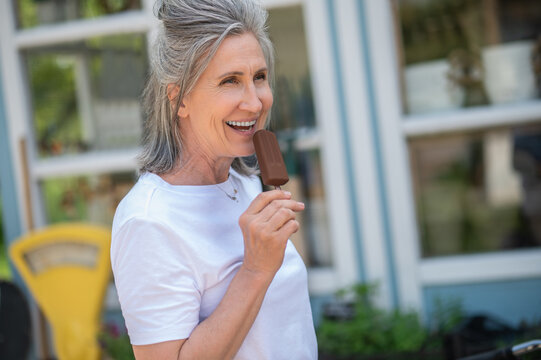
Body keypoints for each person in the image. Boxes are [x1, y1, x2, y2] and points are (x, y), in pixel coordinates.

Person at [110, 0, 318, 359]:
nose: (254, 103)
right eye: (230, 81)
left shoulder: (247, 185)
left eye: (259, 77)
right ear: (180, 98)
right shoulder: (147, 222)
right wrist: (255, 270)